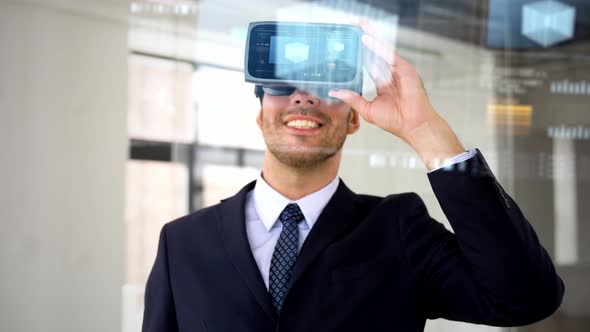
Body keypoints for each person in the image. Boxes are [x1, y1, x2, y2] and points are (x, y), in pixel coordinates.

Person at [142, 21, 564, 332]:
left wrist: (425, 131)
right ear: (261, 113)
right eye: (281, 86)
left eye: (327, 89)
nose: (303, 97)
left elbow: (525, 298)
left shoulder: (398, 229)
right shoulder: (181, 242)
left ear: (354, 121)